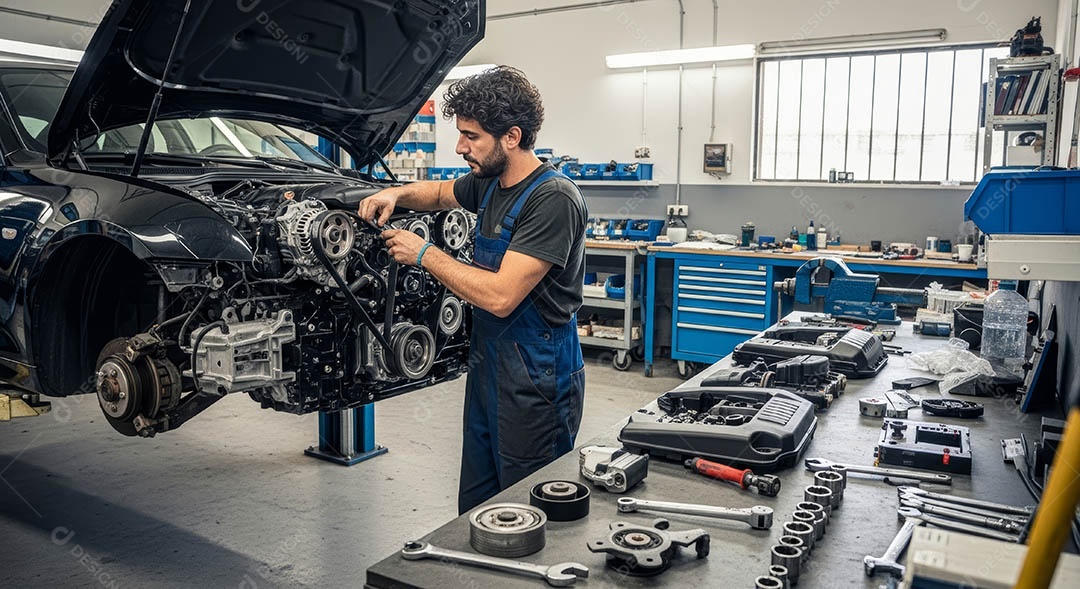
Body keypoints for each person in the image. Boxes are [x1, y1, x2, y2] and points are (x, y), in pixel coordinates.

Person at [358, 66, 588, 514]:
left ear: (512, 136)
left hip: (537, 375)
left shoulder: (553, 198)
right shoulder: (491, 182)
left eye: (471, 136)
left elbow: (501, 296)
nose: (461, 147)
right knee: (479, 501)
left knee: (527, 507)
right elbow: (442, 193)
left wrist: (424, 253)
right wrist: (396, 194)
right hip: (490, 368)